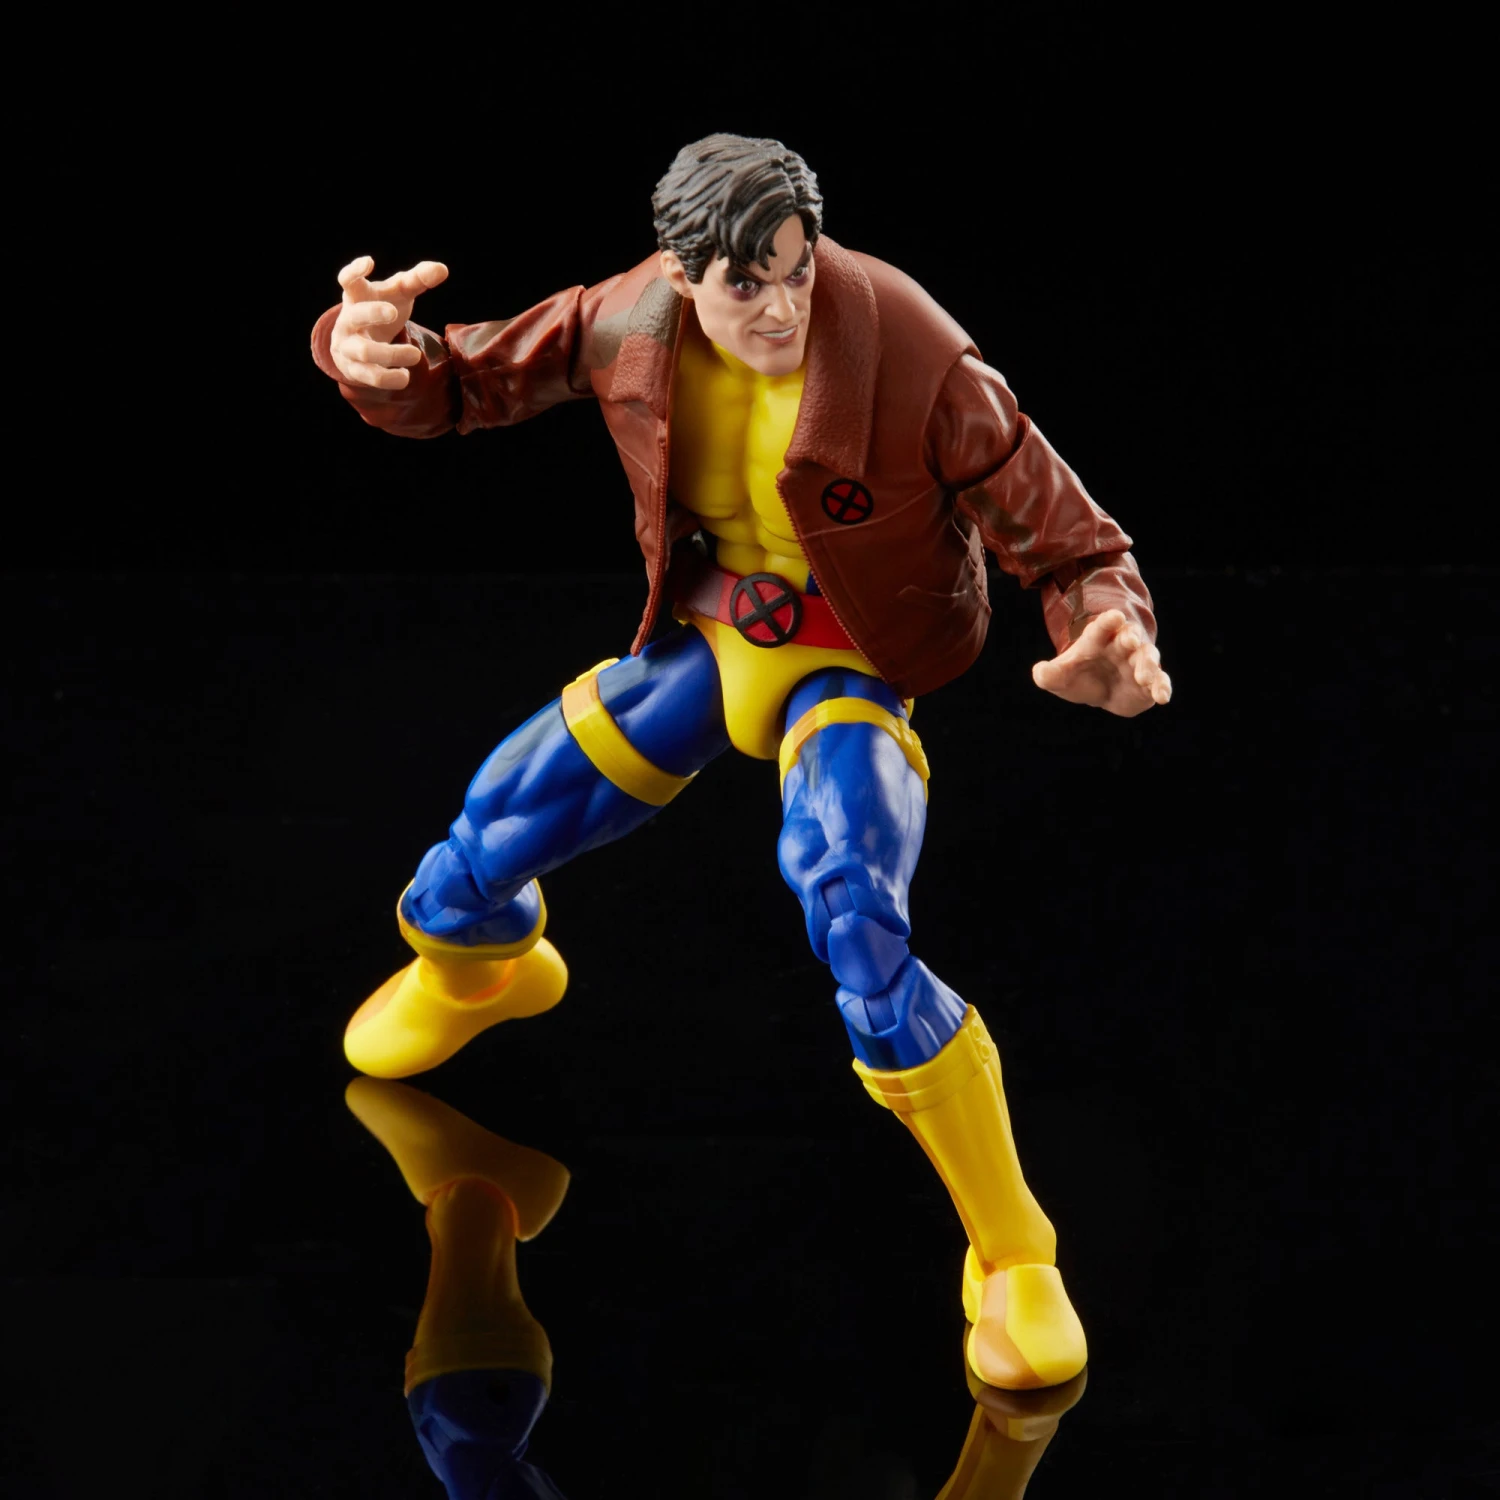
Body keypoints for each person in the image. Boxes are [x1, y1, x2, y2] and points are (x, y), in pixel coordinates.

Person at [310, 133, 1171, 1392]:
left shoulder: (912, 348)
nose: (778, 308)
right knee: (480, 844)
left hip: (852, 664)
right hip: (712, 641)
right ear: (682, 271)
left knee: (857, 919)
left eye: (795, 270)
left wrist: (1110, 627)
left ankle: (1014, 1255)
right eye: (744, 282)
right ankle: (482, 968)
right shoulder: (630, 320)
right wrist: (374, 357)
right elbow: (464, 383)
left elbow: (1071, 537)